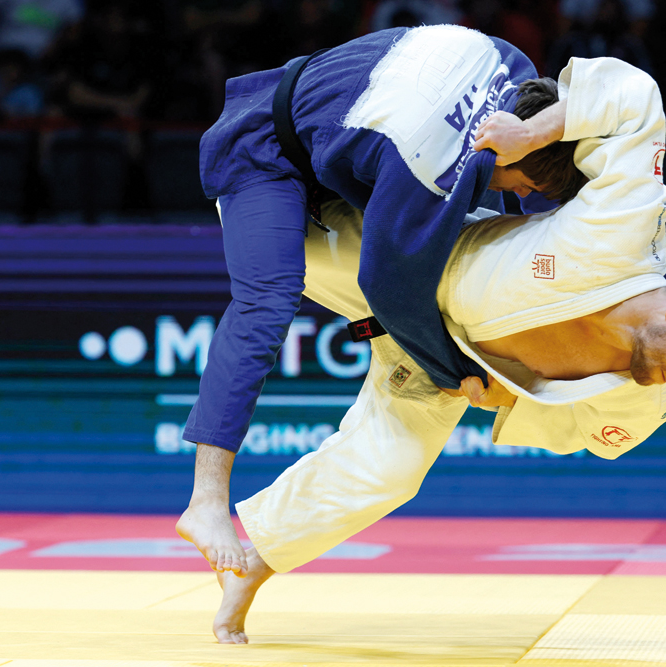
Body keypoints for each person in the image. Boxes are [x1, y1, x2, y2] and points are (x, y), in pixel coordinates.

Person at [205, 56, 666, 644]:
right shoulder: (628, 227)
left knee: (390, 471)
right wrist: (532, 134)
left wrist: (507, 401)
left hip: (446, 364)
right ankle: (260, 128)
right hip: (411, 260)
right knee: (266, 234)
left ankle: (253, 565)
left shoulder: (642, 402)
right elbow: (635, 99)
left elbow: (583, 433)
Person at [176, 25, 584, 580]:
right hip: (265, 149)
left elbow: (586, 121)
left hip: (337, 126)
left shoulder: (516, 70)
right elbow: (388, 287)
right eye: (529, 183)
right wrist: (456, 373)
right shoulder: (430, 160)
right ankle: (205, 500)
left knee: (476, 235)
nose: (526, 194)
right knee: (266, 301)